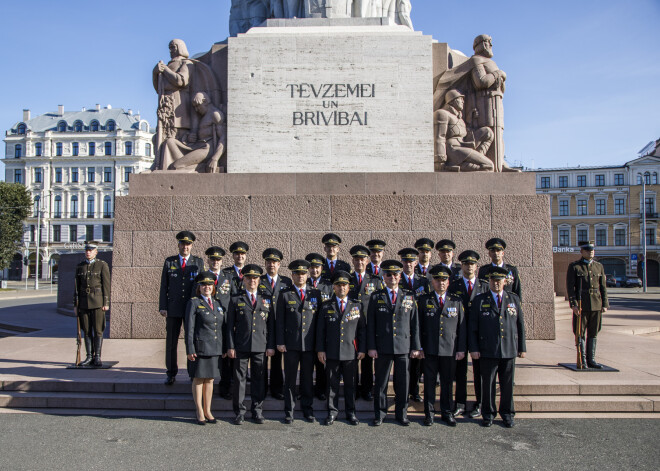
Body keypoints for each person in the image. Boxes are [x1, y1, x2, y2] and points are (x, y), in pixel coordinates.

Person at [469, 266, 526, 428]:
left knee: (507, 384)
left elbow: (520, 325)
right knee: (488, 384)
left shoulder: (513, 299)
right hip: (488, 349)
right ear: (489, 282)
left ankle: (507, 413)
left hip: (508, 349)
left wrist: (522, 347)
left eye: (499, 281)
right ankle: (488, 414)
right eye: (493, 280)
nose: (496, 283)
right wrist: (474, 348)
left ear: (505, 282)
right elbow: (473, 327)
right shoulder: (480, 300)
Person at [368, 260, 421, 426]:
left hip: (403, 347)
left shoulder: (409, 297)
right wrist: (371, 346)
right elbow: (371, 325)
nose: (392, 277)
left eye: (395, 274)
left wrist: (415, 347)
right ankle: (380, 414)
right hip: (383, 347)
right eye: (388, 274)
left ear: (400, 277)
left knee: (402, 384)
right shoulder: (376, 297)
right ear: (384, 277)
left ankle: (402, 414)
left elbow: (415, 325)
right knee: (381, 383)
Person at [226, 264, 275, 425]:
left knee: (259, 379)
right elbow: (229, 326)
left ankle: (257, 410)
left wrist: (270, 345)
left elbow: (271, 325)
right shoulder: (235, 299)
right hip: (241, 345)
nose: (252, 281)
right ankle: (239, 412)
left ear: (259, 280)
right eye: (248, 278)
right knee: (239, 379)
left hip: (260, 345)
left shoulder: (266, 299)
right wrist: (231, 346)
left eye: (255, 278)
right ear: (244, 279)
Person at [316, 270, 366, 426]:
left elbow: (362, 330)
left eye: (344, 285)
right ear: (333, 287)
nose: (341, 288)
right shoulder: (326, 306)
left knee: (351, 385)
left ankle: (351, 413)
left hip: (351, 352)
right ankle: (332, 412)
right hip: (332, 352)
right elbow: (320, 331)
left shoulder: (357, 306)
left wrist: (362, 349)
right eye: (338, 285)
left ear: (349, 287)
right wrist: (321, 349)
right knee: (332, 386)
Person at [418, 265, 465, 426]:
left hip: (450, 349)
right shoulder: (424, 300)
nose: (441, 283)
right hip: (430, 349)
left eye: (444, 280)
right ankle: (429, 413)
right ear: (432, 281)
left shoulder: (456, 301)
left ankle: (447, 412)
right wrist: (420, 347)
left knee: (447, 383)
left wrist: (460, 349)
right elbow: (418, 326)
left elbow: (461, 327)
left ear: (448, 281)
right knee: (429, 383)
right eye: (438, 280)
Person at [277, 260, 320, 423]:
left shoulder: (314, 294)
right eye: (297, 274)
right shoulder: (285, 294)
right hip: (291, 344)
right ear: (292, 275)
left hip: (309, 345)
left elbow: (318, 322)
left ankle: (308, 409)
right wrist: (280, 342)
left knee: (307, 378)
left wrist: (318, 344)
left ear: (307, 274)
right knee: (289, 379)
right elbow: (279, 320)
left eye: (303, 273)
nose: (300, 276)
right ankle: (289, 410)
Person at [448, 249, 489, 418]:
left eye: (472, 264)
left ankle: (480, 404)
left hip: (480, 334)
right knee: (460, 370)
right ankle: (460, 403)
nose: (469, 266)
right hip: (459, 333)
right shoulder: (454, 285)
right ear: (461, 266)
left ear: (477, 266)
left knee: (480, 370)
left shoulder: (484, 286)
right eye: (466, 263)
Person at [159, 231, 203, 385]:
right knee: (171, 342)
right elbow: (164, 286)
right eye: (183, 244)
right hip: (173, 308)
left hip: (191, 308)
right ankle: (171, 372)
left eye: (188, 244)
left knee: (191, 341)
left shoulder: (198, 262)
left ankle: (192, 372)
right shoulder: (169, 262)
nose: (185, 247)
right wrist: (163, 306)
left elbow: (201, 286)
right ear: (178, 245)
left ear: (191, 246)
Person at [185, 271, 227, 425]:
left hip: (215, 348)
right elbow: (189, 328)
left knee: (210, 380)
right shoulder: (194, 303)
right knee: (198, 379)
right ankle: (199, 411)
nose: (207, 287)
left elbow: (221, 328)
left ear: (214, 286)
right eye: (203, 285)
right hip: (200, 348)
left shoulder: (217, 303)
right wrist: (190, 349)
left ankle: (208, 410)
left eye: (209, 284)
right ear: (199, 287)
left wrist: (223, 348)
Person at [347, 244, 384, 401]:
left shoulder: (374, 281)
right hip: (351, 325)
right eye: (356, 259)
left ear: (367, 261)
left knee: (368, 360)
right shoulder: (347, 279)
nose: (359, 262)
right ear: (353, 261)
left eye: (362, 259)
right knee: (352, 359)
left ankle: (367, 389)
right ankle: (354, 389)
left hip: (368, 326)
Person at [566, 240, 609, 369]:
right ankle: (582, 359)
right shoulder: (575, 266)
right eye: (588, 250)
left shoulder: (598, 266)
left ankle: (592, 359)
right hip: (581, 304)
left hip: (596, 304)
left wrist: (604, 303)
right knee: (580, 332)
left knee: (594, 332)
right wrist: (573, 304)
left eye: (592, 250)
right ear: (582, 252)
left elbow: (603, 287)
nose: (591, 252)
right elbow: (570, 287)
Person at [259, 248, 292, 400]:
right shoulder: (259, 281)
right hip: (262, 326)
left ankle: (277, 388)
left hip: (280, 326)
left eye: (274, 262)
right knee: (262, 360)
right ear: (265, 264)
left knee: (278, 361)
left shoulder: (286, 282)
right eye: (269, 262)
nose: (271, 265)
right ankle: (262, 388)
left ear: (279, 265)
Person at [434, 89, 495, 171]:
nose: (463, 101)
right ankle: (456, 166)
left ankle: (473, 160)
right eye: (460, 99)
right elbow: (439, 137)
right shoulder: (442, 113)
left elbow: (462, 134)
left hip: (463, 146)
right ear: (452, 101)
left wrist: (470, 120)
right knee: (489, 166)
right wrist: (440, 159)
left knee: (488, 132)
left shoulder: (459, 118)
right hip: (453, 149)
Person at [398, 247, 429, 403]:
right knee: (403, 362)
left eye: (411, 261)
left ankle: (414, 391)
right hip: (402, 324)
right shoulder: (398, 279)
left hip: (419, 324)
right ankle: (402, 391)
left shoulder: (423, 281)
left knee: (417, 361)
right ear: (402, 262)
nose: (408, 264)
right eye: (405, 261)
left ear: (416, 262)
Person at [73, 241, 110, 367]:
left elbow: (106, 285)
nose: (88, 252)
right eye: (87, 250)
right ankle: (89, 356)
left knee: (98, 330)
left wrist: (106, 302)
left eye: (91, 250)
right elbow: (76, 288)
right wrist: (75, 305)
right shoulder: (80, 266)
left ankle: (97, 357)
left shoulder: (102, 265)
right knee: (87, 330)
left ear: (96, 252)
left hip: (98, 302)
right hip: (83, 302)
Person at [203, 246, 233, 399]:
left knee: (226, 357)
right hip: (208, 324)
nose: (215, 262)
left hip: (225, 323)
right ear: (208, 260)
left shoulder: (228, 278)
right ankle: (205, 385)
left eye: (218, 259)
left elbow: (233, 299)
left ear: (222, 261)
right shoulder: (202, 277)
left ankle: (225, 387)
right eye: (212, 259)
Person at [305, 252, 333, 400]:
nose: (314, 271)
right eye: (312, 268)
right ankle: (307, 391)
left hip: (324, 331)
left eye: (317, 268)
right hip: (308, 330)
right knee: (308, 364)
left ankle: (321, 390)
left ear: (322, 268)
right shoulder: (305, 283)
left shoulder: (328, 286)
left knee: (322, 364)